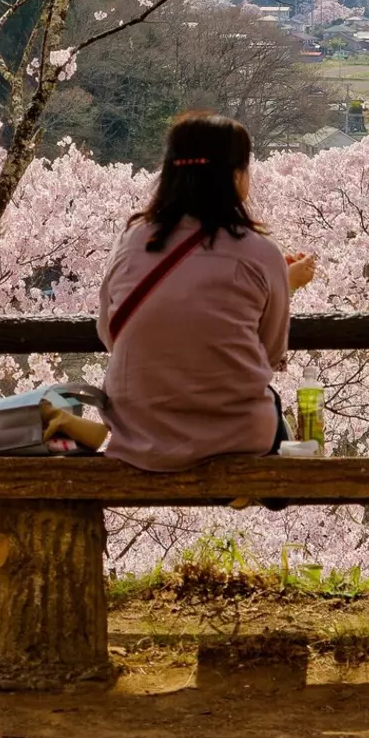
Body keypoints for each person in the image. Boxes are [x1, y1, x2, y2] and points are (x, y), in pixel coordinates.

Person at [97, 112, 317, 471]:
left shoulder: (132, 241)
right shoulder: (260, 252)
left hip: (140, 437)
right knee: (275, 409)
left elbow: (110, 334)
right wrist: (285, 283)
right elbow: (270, 352)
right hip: (236, 436)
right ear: (236, 175)